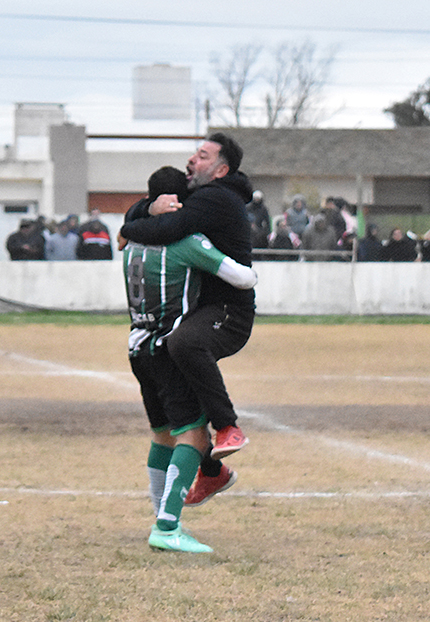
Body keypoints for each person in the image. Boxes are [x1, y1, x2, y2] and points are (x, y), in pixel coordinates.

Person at [124, 172, 257, 553]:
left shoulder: (131, 239)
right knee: (194, 435)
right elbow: (241, 278)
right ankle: (167, 526)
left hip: (137, 344)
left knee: (162, 434)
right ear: (179, 204)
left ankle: (161, 514)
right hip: (168, 347)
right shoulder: (186, 242)